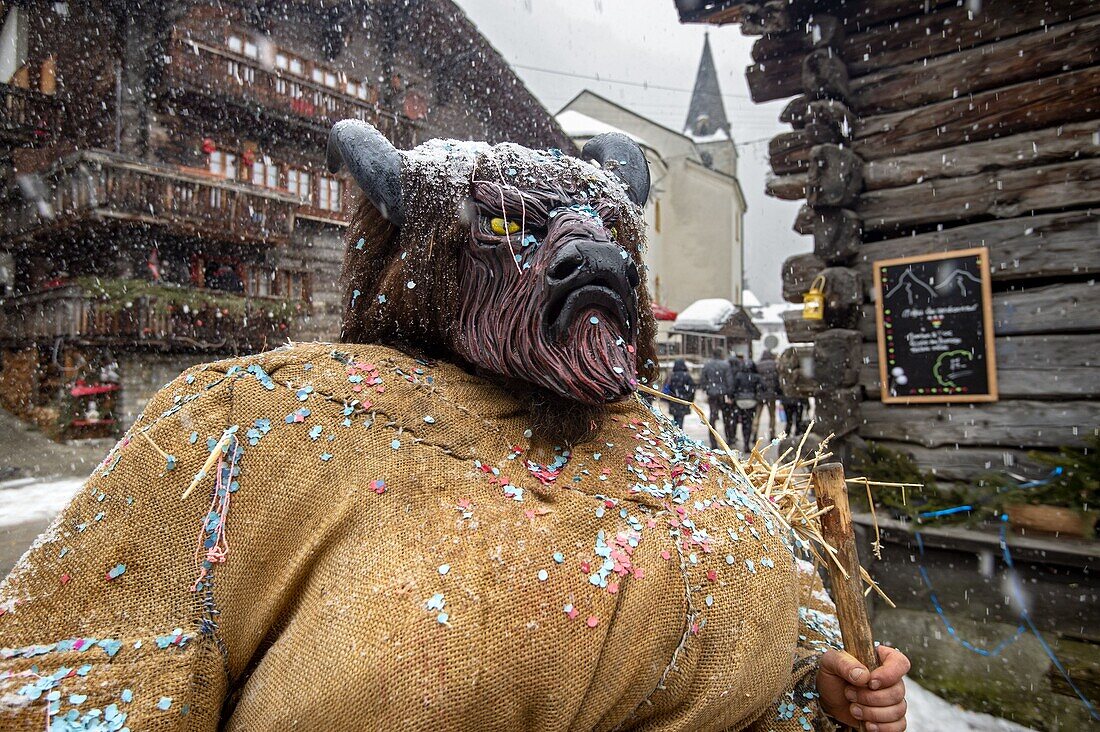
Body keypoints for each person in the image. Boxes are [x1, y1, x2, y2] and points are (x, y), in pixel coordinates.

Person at [0, 122, 910, 731]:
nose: (582, 250)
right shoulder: (257, 427)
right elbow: (76, 684)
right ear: (427, 258)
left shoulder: (686, 463)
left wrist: (816, 689)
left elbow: (753, 664)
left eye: (603, 232)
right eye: (512, 228)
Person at [700, 348, 734, 448]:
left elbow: (703, 379)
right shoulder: (725, 365)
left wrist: (707, 388)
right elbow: (729, 380)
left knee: (713, 417)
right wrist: (730, 393)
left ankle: (713, 441)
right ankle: (729, 439)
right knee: (726, 417)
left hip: (712, 394)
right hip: (723, 394)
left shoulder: (707, 365)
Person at [730, 360, 762, 453]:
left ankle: (742, 440)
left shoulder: (738, 376)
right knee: (749, 422)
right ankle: (747, 442)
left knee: (743, 422)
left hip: (740, 402)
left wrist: (733, 398)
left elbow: (733, 388)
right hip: (752, 401)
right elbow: (764, 387)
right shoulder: (756, 377)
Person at [662, 358, 696, 428]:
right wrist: (689, 398)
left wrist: (669, 399)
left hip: (673, 401)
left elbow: (667, 388)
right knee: (680, 419)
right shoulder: (686, 376)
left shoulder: (671, 375)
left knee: (676, 419)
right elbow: (692, 388)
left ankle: (677, 433)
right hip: (682, 401)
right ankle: (679, 435)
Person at [756, 349, 781, 442]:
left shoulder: (758, 365)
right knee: (772, 415)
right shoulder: (774, 364)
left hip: (760, 394)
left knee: (757, 415)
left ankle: (754, 434)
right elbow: (777, 379)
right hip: (771, 394)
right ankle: (772, 433)